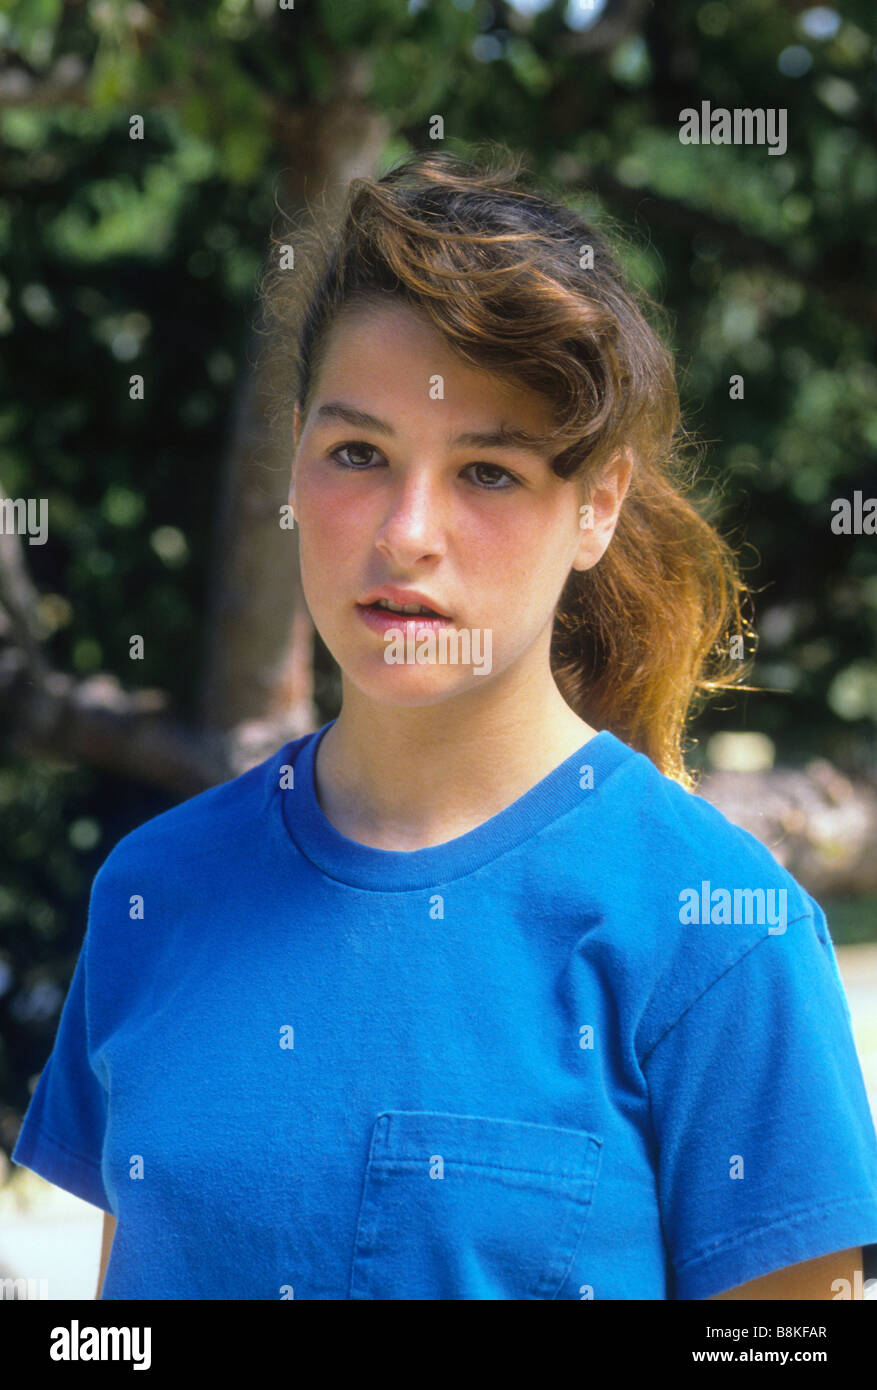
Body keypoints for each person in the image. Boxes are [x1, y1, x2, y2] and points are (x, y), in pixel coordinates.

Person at [12, 148, 877, 1301]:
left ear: (597, 506)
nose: (407, 531)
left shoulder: (723, 937)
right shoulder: (153, 889)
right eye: (359, 453)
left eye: (489, 471)